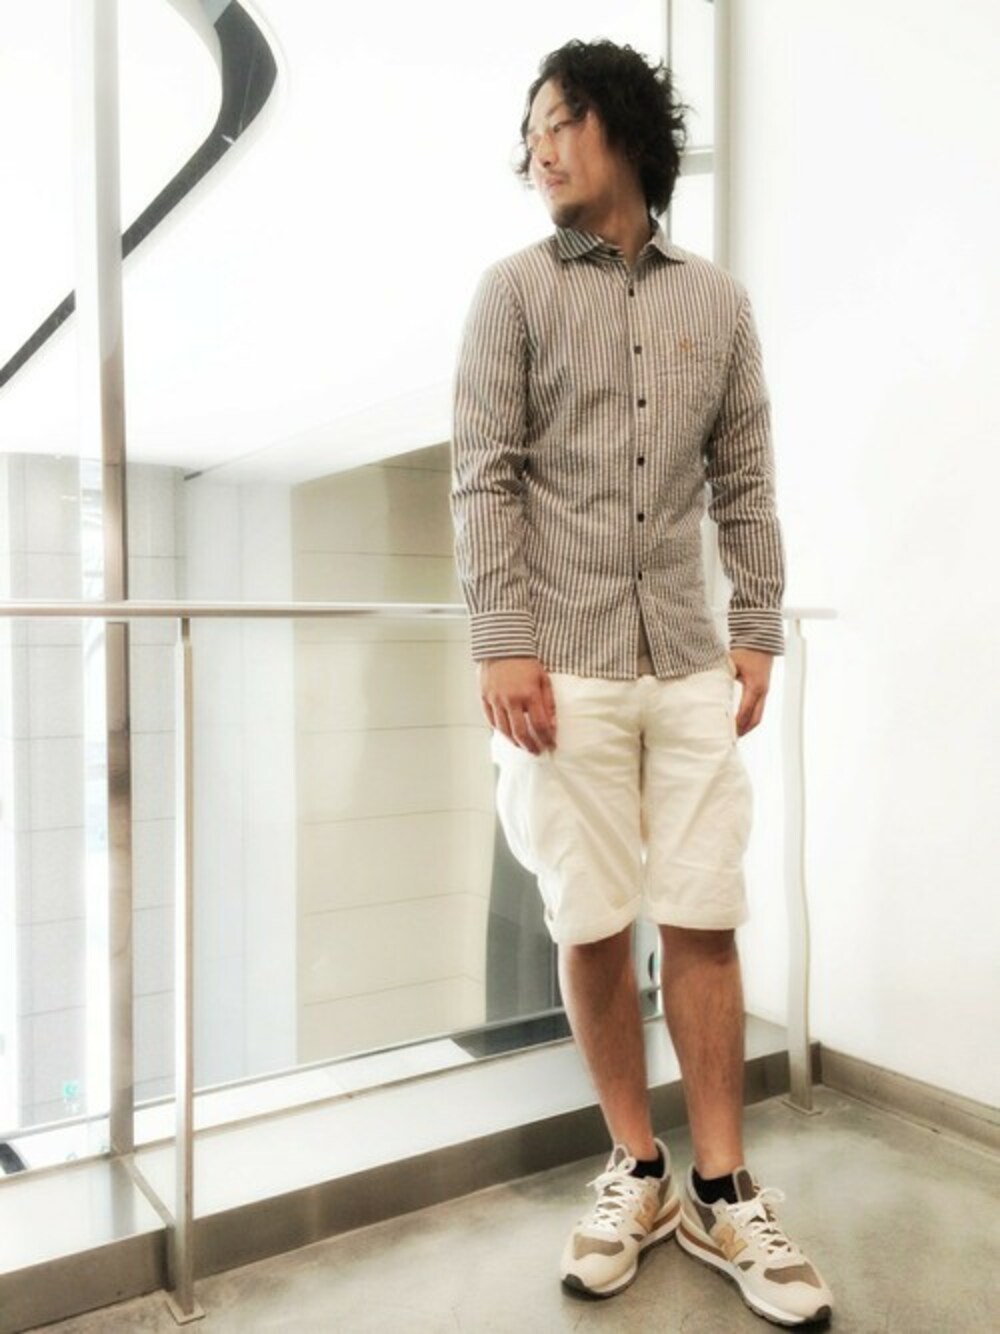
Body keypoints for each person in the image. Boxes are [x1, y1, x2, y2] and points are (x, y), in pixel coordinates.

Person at [450, 37, 833, 1328]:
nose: (541, 149)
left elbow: (746, 479)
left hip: (685, 659)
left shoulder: (716, 305)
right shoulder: (510, 295)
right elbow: (485, 475)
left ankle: (723, 1185)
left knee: (705, 912)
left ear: (623, 127)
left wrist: (757, 624)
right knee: (591, 920)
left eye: (561, 121)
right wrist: (501, 636)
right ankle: (638, 1166)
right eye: (531, 132)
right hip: (559, 667)